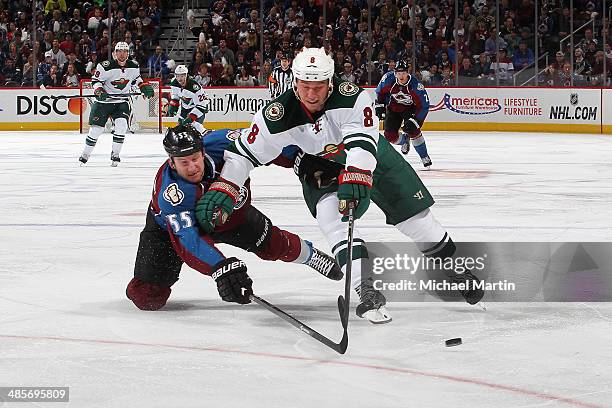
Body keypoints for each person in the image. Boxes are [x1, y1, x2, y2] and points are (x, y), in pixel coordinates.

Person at [195, 48, 485, 324]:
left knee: (416, 220)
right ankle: (364, 289)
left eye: (318, 86)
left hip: (372, 156)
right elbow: (244, 153)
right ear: (294, 82)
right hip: (321, 167)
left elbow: (362, 143)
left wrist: (357, 175)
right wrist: (225, 187)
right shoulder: (277, 115)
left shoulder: (352, 98)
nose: (311, 93)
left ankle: (454, 267)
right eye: (305, 85)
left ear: (330, 81)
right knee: (330, 217)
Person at [126, 125, 342, 311]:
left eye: (194, 159)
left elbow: (262, 142)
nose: (192, 168)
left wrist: (298, 159)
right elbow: (189, 238)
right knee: (146, 297)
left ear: (202, 151)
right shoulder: (171, 195)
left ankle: (311, 256)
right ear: (172, 163)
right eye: (184, 163)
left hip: (229, 213)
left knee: (274, 243)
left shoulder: (222, 142)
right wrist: (221, 267)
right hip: (172, 230)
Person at [78, 42, 155, 166]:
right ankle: (85, 154)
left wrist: (142, 86)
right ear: (114, 53)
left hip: (121, 101)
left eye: (124, 51)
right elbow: (96, 81)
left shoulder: (134, 66)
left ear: (128, 53)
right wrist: (99, 90)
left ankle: (115, 154)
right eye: (119, 51)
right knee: (96, 130)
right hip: (104, 102)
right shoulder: (105, 66)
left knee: (122, 126)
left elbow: (136, 79)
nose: (122, 53)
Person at [375, 59, 432, 168]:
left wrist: (416, 120)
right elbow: (380, 93)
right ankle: (405, 140)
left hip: (410, 109)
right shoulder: (388, 79)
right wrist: (380, 106)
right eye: (399, 73)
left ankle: (424, 156)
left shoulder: (416, 86)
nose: (401, 76)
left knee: (414, 131)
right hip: (393, 109)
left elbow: (424, 106)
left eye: (404, 73)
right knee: (389, 136)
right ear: (395, 73)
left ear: (408, 72)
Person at [167, 65, 209, 134]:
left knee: (194, 130)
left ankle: (205, 136)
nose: (179, 79)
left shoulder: (194, 87)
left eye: (182, 76)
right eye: (177, 76)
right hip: (185, 108)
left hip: (198, 109)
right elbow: (175, 95)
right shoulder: (174, 83)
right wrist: (173, 105)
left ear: (186, 75)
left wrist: (192, 117)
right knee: (181, 128)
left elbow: (202, 105)